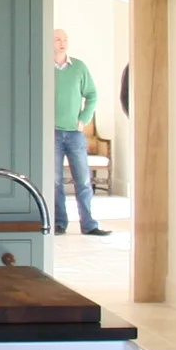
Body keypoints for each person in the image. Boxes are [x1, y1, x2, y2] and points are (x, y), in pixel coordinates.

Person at [52, 28, 109, 236]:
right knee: (55, 181)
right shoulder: (43, 67)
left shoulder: (79, 67)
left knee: (83, 180)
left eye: (65, 39)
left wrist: (83, 120)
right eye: (57, 39)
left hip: (75, 134)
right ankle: (59, 223)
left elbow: (92, 95)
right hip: (52, 134)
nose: (62, 42)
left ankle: (89, 225)